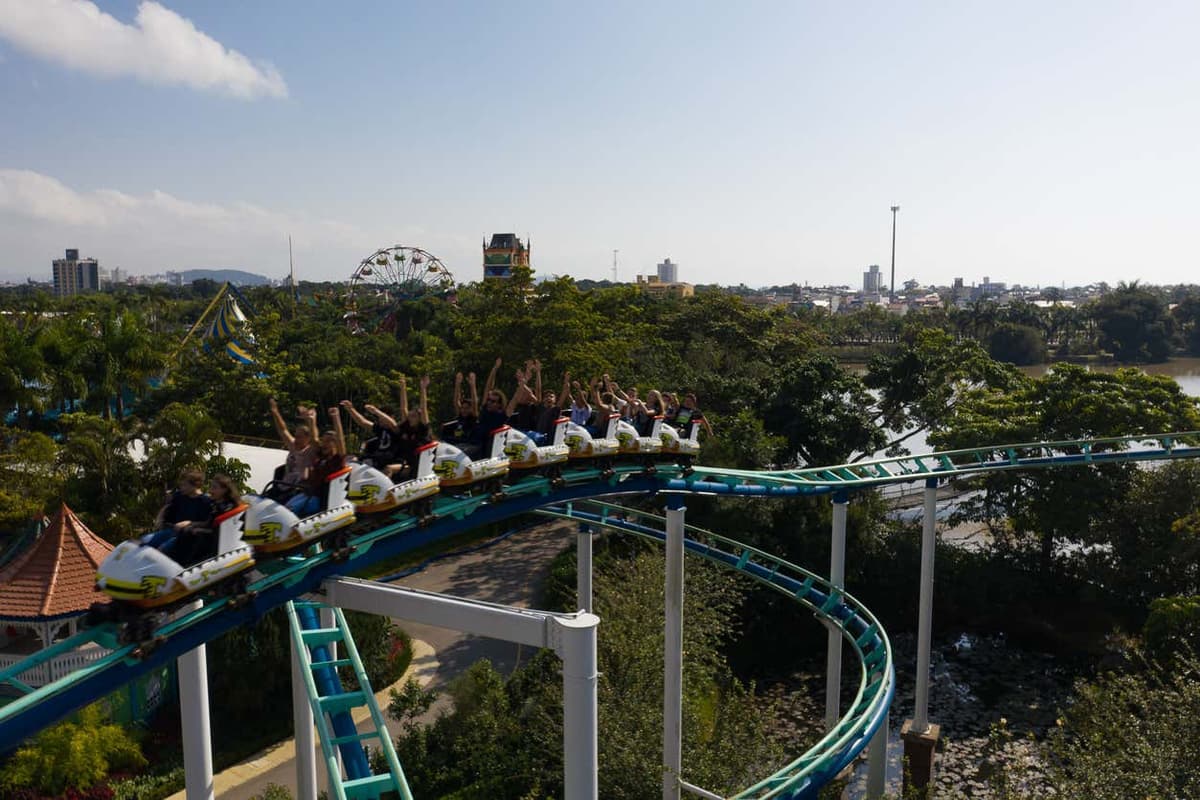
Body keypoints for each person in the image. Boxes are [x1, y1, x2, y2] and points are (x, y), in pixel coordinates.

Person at [286, 408, 347, 517]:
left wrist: (336, 417)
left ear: (335, 444)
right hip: (307, 493)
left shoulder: (337, 459)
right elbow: (314, 439)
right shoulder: (321, 456)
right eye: (323, 441)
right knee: (286, 508)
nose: (324, 444)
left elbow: (340, 439)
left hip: (320, 498)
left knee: (291, 511)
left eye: (328, 441)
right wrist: (312, 421)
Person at [172, 474, 242, 566]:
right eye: (211, 487)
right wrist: (190, 524)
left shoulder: (228, 508)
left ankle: (185, 565)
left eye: (214, 488)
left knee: (193, 538)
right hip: (209, 536)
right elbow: (208, 523)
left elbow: (220, 531)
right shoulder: (215, 504)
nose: (210, 490)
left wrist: (200, 530)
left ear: (224, 490)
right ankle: (176, 563)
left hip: (218, 544)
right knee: (185, 533)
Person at [144, 468, 214, 557]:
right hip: (172, 531)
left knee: (162, 550)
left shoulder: (205, 502)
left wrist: (188, 524)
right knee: (148, 545)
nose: (181, 488)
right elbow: (168, 507)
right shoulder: (179, 496)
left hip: (186, 536)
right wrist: (160, 518)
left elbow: (206, 523)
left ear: (195, 485)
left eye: (184, 485)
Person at [268, 398, 318, 499]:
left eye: (299, 437)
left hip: (296, 489)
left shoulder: (310, 451)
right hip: (283, 486)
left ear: (307, 438)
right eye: (295, 436)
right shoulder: (293, 447)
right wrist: (275, 411)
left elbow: (315, 438)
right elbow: (283, 430)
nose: (295, 439)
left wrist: (312, 421)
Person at [339, 399, 399, 470]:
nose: (380, 419)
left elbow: (392, 424)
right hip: (374, 458)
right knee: (349, 459)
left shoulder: (396, 429)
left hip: (386, 460)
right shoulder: (380, 429)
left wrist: (375, 411)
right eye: (379, 417)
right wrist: (351, 409)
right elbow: (363, 422)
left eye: (382, 417)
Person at [441, 371, 479, 446]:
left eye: (467, 408)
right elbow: (455, 401)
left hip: (467, 443)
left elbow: (475, 402)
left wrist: (472, 385)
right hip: (456, 442)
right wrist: (458, 384)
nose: (464, 410)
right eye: (462, 408)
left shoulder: (473, 417)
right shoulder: (460, 416)